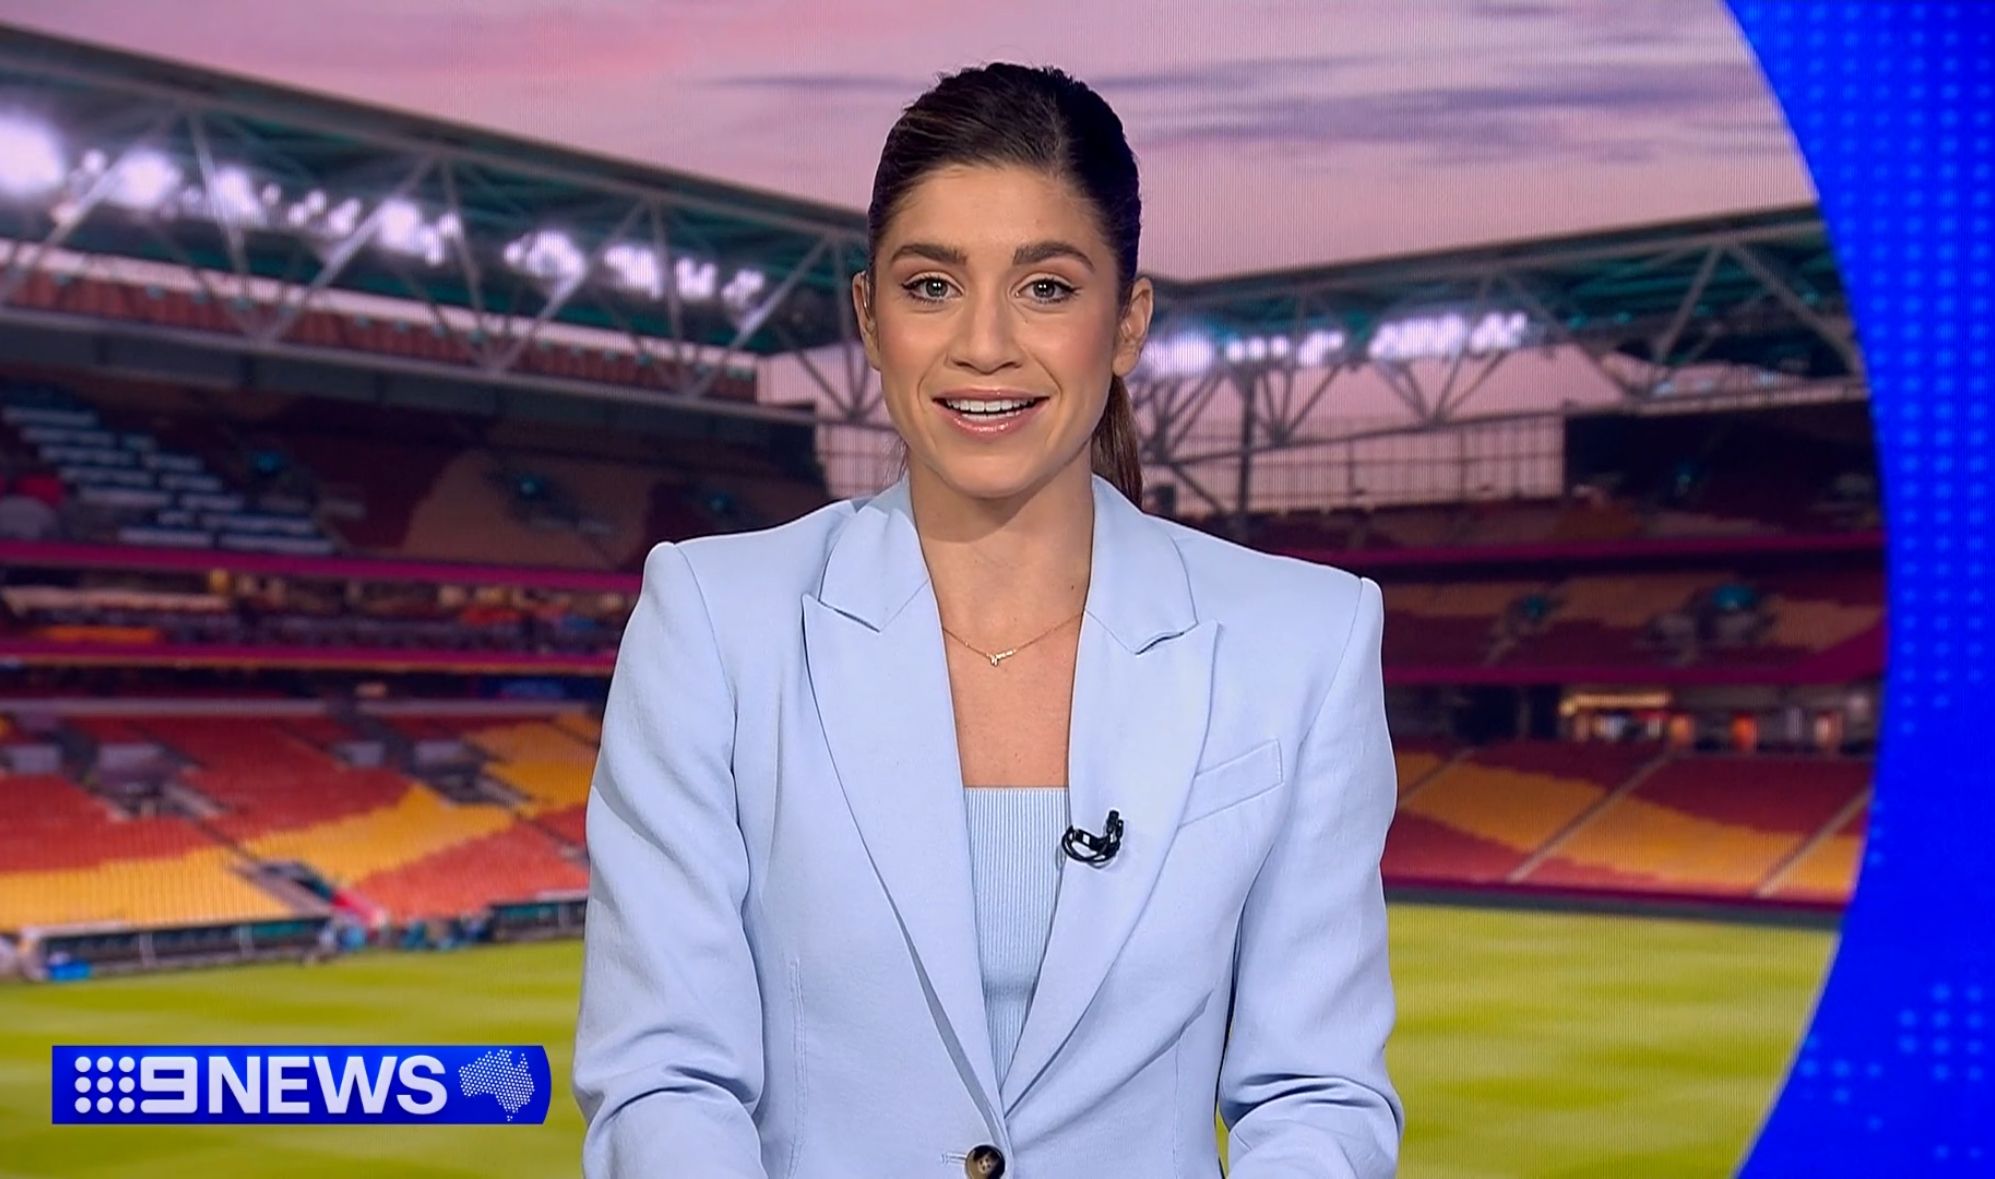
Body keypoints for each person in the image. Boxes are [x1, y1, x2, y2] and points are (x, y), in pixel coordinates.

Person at [574, 62, 1403, 1178]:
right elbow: (664, 1078)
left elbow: (1317, 1094)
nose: (984, 343)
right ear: (870, 318)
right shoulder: (714, 621)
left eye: (1047, 288)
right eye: (931, 285)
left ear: (1127, 324)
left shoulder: (1306, 638)